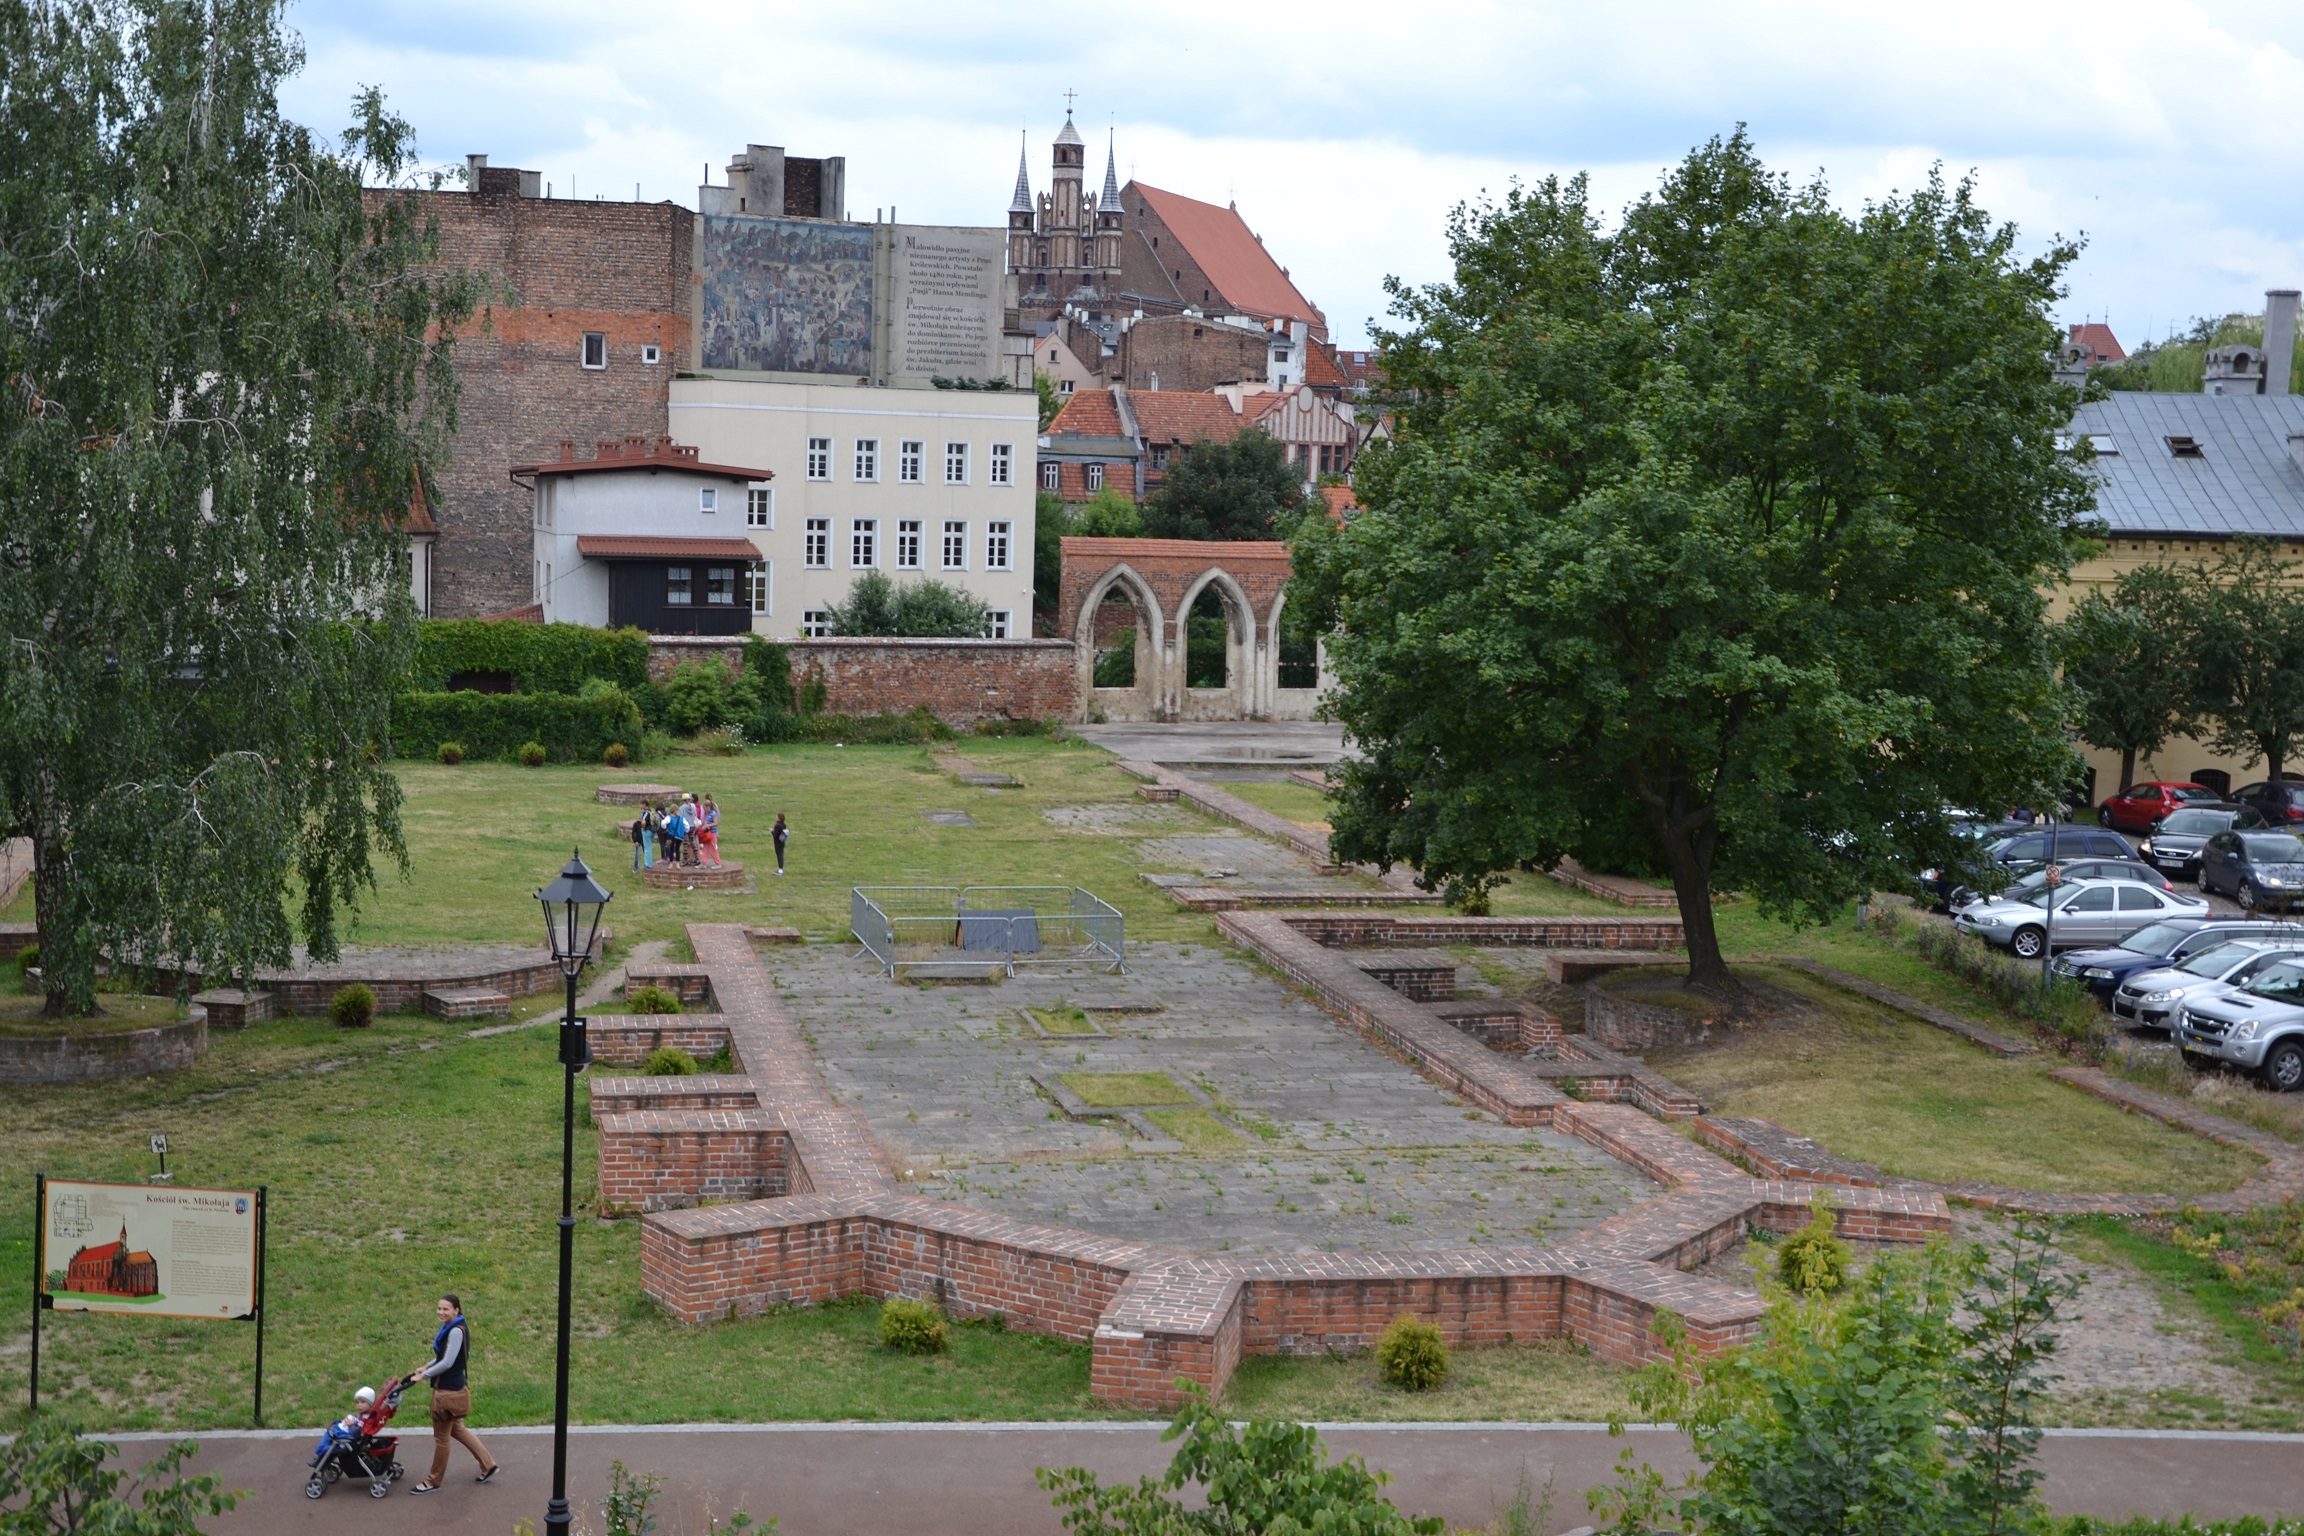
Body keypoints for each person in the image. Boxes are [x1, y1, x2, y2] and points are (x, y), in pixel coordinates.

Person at [405, 1293, 497, 1493]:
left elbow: (447, 1362)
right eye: (439, 1308)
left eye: (446, 1309)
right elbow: (443, 1356)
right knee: (457, 1429)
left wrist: (424, 1375)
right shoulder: (453, 1327)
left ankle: (432, 1481)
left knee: (441, 1438)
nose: (441, 1312)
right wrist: (426, 1366)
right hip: (455, 1388)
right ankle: (488, 1464)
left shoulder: (455, 1331)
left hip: (447, 1393)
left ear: (457, 1310)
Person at [698, 795, 721, 868]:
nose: (704, 810)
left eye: (705, 808)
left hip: (712, 833)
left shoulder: (713, 813)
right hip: (708, 833)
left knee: (713, 848)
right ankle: (704, 863)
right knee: (705, 848)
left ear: (708, 807)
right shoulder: (709, 814)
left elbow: (716, 823)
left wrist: (708, 826)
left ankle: (718, 863)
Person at [771, 812, 788, 876]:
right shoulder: (784, 825)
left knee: (779, 856)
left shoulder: (777, 825)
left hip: (777, 843)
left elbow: (775, 835)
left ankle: (780, 870)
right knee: (781, 855)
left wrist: (772, 831)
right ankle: (781, 869)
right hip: (782, 842)